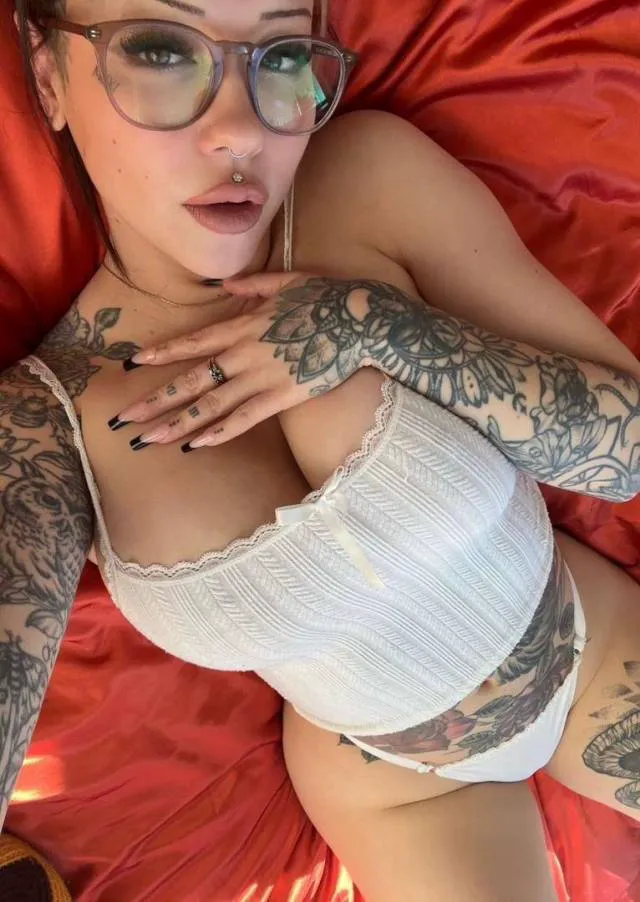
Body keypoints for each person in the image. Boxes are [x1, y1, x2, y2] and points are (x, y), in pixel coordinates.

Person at [3, 0, 640, 898]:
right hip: (392, 785)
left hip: (587, 649)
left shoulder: (364, 183)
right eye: (162, 50)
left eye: (280, 56)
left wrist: (378, 327)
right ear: (46, 74)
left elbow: (628, 450)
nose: (239, 131)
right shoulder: (43, 418)